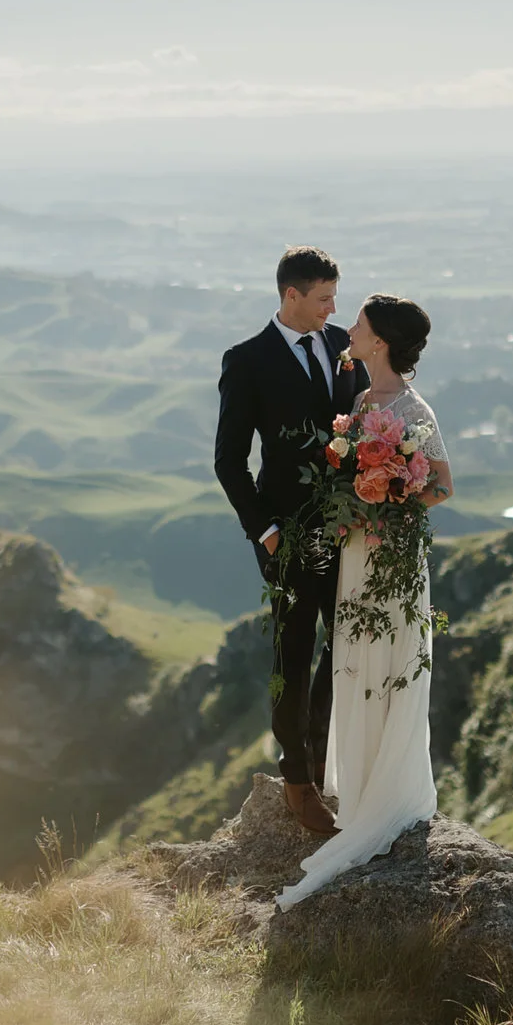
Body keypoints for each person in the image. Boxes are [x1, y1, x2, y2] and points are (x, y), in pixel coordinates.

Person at [274, 292, 450, 911]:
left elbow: (443, 485)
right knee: (354, 655)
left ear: (378, 342)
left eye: (359, 323)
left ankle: (389, 794)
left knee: (390, 658)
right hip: (356, 549)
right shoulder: (359, 403)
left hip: (391, 553)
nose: (350, 327)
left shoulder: (412, 405)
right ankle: (364, 788)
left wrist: (391, 494)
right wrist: (360, 495)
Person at [214, 247, 359, 837]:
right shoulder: (246, 361)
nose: (333, 309)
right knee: (292, 655)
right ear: (291, 296)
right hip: (287, 534)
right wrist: (266, 531)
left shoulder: (343, 343)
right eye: (323, 298)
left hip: (348, 528)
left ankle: (324, 760)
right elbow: (229, 461)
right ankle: (296, 779)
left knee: (347, 647)